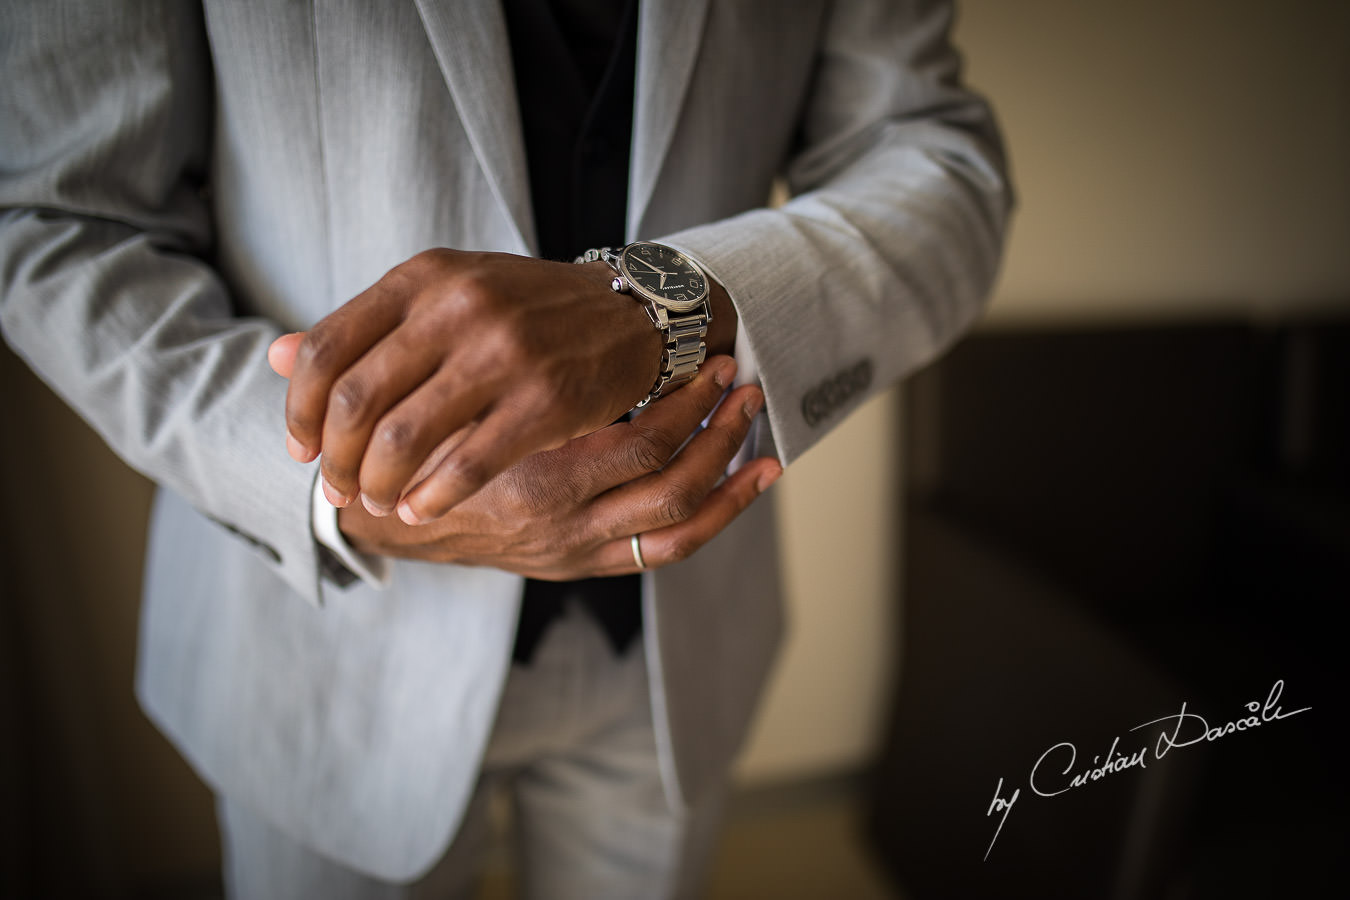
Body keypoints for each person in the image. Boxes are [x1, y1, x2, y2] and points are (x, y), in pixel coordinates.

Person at [0, 1, 1010, 897]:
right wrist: (339, 495)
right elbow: (57, 221)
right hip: (329, 659)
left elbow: (940, 168)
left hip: (676, 632)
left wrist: (668, 305)